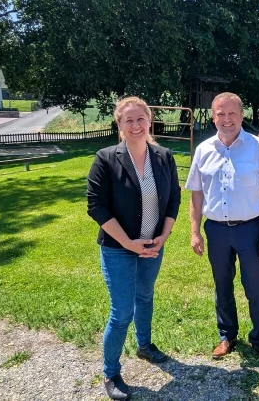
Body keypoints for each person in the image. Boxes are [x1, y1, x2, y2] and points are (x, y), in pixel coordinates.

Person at [86, 96, 181, 400]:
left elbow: (174, 198)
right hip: (118, 248)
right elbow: (96, 207)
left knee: (146, 296)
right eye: (129, 120)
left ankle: (145, 345)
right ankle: (111, 372)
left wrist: (163, 236)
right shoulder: (106, 158)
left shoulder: (164, 156)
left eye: (141, 119)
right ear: (120, 124)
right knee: (122, 311)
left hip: (153, 245)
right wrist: (129, 243)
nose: (136, 125)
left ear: (149, 120)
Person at [185, 92, 259, 363]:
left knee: (255, 286)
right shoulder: (204, 150)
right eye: (220, 114)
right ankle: (227, 335)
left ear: (242, 116)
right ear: (214, 117)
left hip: (250, 230)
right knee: (222, 284)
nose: (226, 120)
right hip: (215, 230)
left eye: (232, 114)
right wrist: (195, 232)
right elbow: (196, 194)